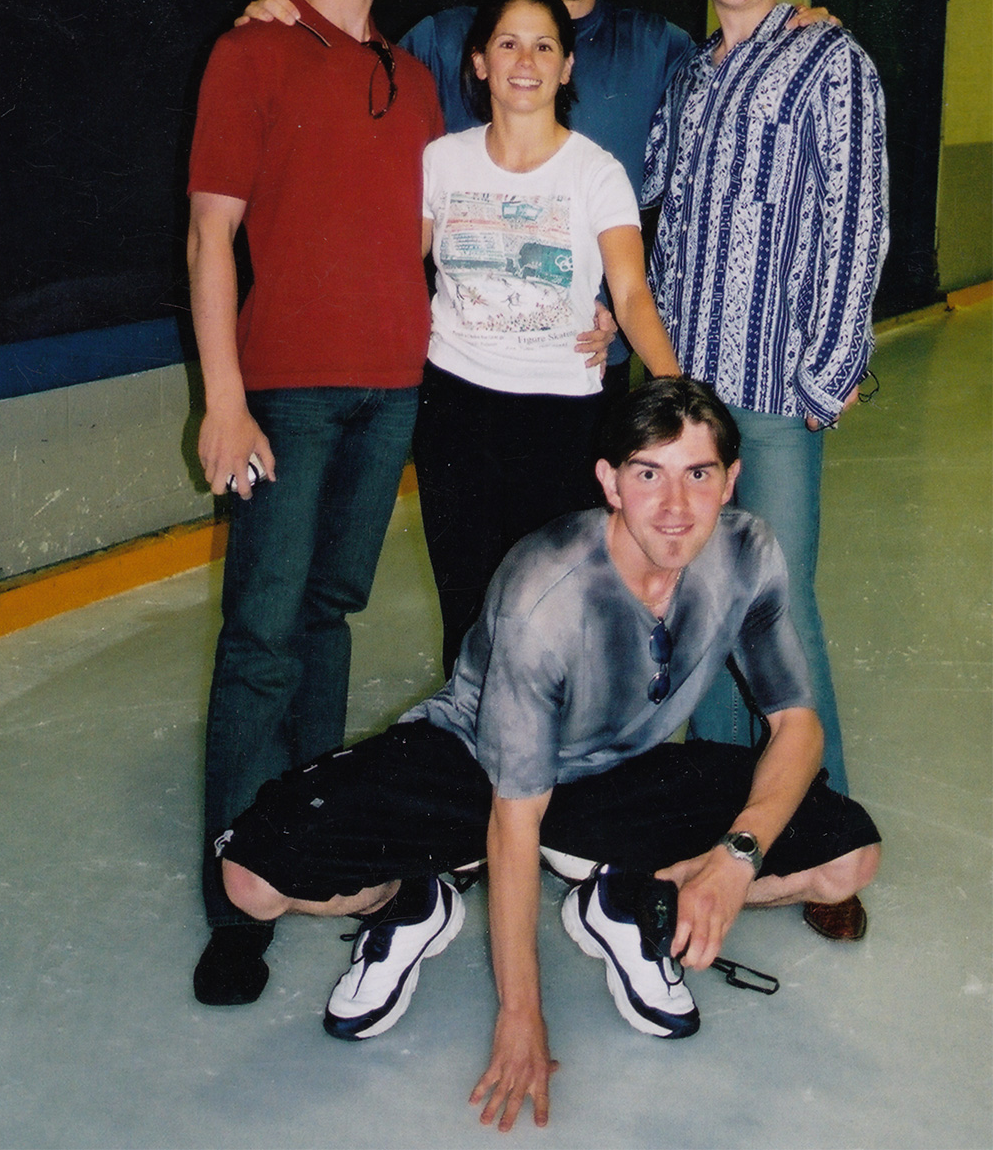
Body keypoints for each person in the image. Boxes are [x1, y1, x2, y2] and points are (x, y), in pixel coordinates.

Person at [212, 377, 881, 1132]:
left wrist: (737, 856)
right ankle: (407, 897)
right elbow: (514, 816)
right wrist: (521, 1014)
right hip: (475, 765)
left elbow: (798, 725)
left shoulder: (747, 551)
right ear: (610, 483)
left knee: (847, 861)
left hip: (617, 774)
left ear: (730, 481)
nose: (675, 504)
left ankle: (627, 898)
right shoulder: (547, 590)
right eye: (648, 473)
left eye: (698, 473)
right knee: (251, 879)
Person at [240, 0, 835, 396]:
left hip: (590, 355)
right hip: (465, 356)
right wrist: (289, 16)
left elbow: (735, 80)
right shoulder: (450, 39)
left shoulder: (660, 48)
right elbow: (351, 85)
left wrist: (797, 28)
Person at [186, 0, 444, 1007]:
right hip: (285, 392)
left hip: (391, 387)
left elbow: (433, 237)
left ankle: (311, 847)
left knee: (329, 617)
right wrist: (224, 397)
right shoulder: (251, 51)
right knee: (262, 636)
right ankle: (237, 897)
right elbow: (210, 235)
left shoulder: (414, 76)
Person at [642, 0, 888, 847]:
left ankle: (822, 830)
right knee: (699, 598)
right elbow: (656, 208)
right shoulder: (690, 74)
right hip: (686, 397)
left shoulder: (831, 61)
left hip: (774, 391)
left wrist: (827, 371)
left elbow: (857, 220)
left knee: (776, 606)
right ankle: (723, 819)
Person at [415, 0, 679, 675]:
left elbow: (630, 294)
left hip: (563, 419)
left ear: (566, 67)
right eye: (508, 44)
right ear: (480, 62)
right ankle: (478, 737)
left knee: (558, 614)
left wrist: (678, 397)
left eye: (543, 46)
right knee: (469, 612)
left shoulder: (597, 172)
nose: (525, 61)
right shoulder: (441, 161)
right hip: (456, 412)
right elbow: (394, 268)